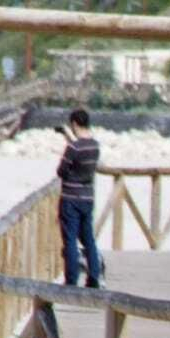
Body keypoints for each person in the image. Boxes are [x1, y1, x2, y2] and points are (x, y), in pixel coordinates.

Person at [55, 108, 102, 288]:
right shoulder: (94, 146)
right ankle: (94, 276)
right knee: (88, 238)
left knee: (70, 240)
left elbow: (61, 171)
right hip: (88, 197)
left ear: (74, 124)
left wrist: (69, 142)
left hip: (70, 197)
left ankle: (72, 279)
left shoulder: (74, 147)